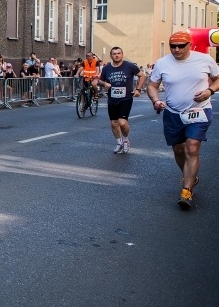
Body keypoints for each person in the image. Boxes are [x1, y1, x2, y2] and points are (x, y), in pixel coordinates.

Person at [147, 31, 219, 209]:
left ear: (190, 45)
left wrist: (210, 91)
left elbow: (217, 79)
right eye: (173, 46)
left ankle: (186, 190)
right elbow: (152, 85)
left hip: (199, 110)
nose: (177, 49)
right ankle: (191, 176)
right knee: (179, 150)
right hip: (173, 113)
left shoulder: (204, 59)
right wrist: (156, 100)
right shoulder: (162, 63)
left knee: (192, 147)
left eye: (181, 46)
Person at [93, 47, 145, 154]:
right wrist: (104, 84)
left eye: (119, 53)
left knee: (122, 122)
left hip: (126, 98)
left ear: (122, 54)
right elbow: (99, 81)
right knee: (114, 123)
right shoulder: (107, 68)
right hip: (112, 98)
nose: (116, 55)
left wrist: (138, 89)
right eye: (114, 54)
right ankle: (119, 142)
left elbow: (142, 76)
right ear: (111, 56)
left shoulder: (129, 66)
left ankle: (125, 140)